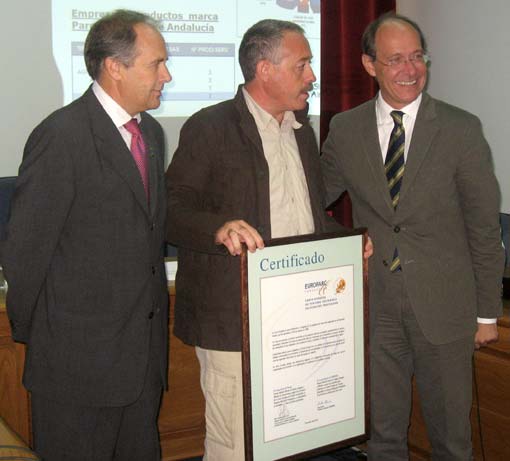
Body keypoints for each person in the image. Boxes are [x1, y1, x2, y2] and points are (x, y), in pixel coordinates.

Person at [166, 19, 371, 461]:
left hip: (296, 321)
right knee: (235, 446)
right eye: (302, 66)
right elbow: (169, 209)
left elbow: (306, 218)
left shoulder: (301, 130)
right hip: (232, 322)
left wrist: (349, 242)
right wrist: (218, 227)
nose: (312, 77)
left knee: (295, 439)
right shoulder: (211, 127)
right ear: (264, 70)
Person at [321, 12, 504, 461]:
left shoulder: (461, 129)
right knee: (381, 437)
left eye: (417, 57)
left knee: (450, 439)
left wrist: (486, 313)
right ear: (370, 65)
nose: (410, 69)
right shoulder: (345, 129)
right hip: (377, 306)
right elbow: (313, 203)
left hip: (446, 308)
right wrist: (346, 239)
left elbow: (484, 227)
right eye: (396, 59)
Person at [1, 9, 171, 461]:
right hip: (77, 369)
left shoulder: (150, 133)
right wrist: (51, 341)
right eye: (156, 63)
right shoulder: (62, 136)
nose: (166, 75)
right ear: (115, 67)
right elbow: (24, 252)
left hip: (141, 363)